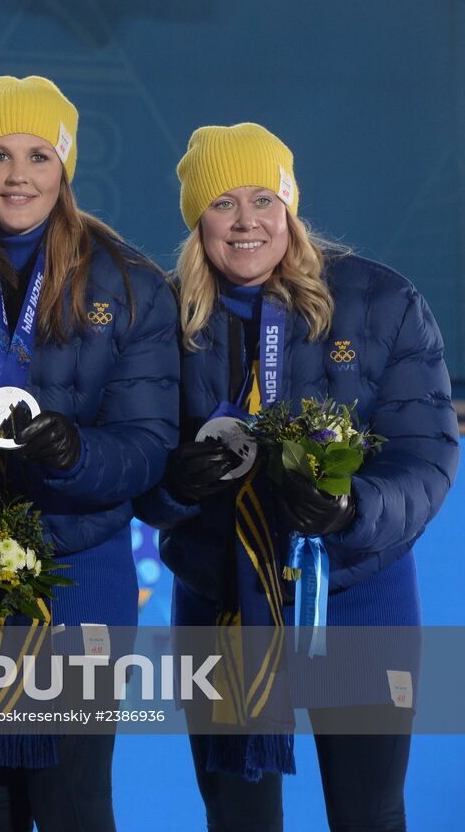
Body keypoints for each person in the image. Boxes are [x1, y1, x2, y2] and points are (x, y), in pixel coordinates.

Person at [135, 123, 458, 832]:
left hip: (358, 596)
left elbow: (427, 454)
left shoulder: (381, 301)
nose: (246, 221)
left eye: (263, 198)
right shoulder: (160, 317)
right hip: (223, 598)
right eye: (223, 203)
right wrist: (175, 487)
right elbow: (138, 468)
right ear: (197, 218)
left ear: (289, 206)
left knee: (369, 815)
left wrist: (351, 509)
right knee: (238, 820)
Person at [0, 75, 180, 832]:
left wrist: (76, 451)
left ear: (66, 167)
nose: (19, 175)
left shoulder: (132, 284)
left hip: (78, 578)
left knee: (74, 807)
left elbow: (150, 446)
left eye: (39, 155)